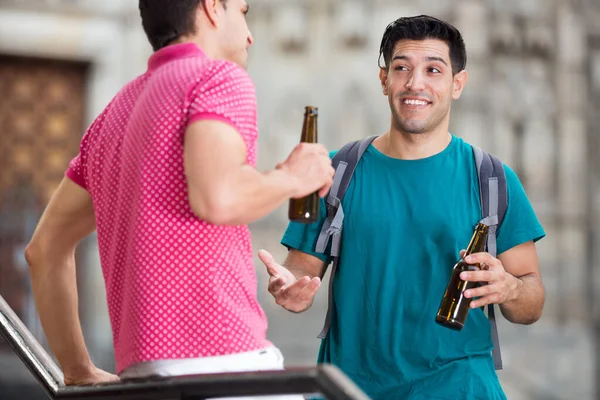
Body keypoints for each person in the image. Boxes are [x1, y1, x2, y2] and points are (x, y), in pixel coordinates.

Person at [24, 0, 334, 390]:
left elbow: (44, 250)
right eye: (242, 12)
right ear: (211, 9)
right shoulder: (217, 78)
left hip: (144, 377)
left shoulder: (113, 114)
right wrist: (292, 177)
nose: (250, 34)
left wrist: (77, 369)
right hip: (224, 365)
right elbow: (217, 198)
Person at [258, 15, 546, 400]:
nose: (415, 83)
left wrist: (509, 288)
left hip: (460, 389)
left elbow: (532, 301)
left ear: (457, 83)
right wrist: (290, 286)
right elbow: (301, 269)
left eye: (433, 70)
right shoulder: (338, 171)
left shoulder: (492, 178)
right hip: (351, 389)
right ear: (383, 79)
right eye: (401, 69)